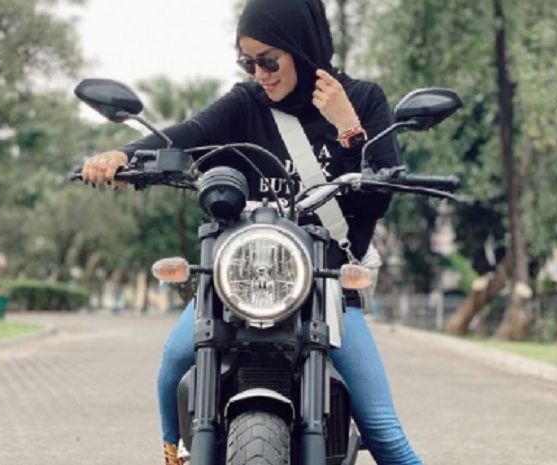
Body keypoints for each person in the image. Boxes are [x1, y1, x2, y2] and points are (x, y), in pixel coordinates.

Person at [82, 1, 422, 464]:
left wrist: (348, 130)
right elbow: (186, 133)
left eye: (269, 60)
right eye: (248, 62)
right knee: (174, 362)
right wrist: (123, 155)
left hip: (327, 286)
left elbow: (377, 197)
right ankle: (173, 453)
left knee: (382, 428)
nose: (260, 73)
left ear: (302, 48)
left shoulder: (362, 100)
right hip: (239, 281)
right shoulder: (246, 104)